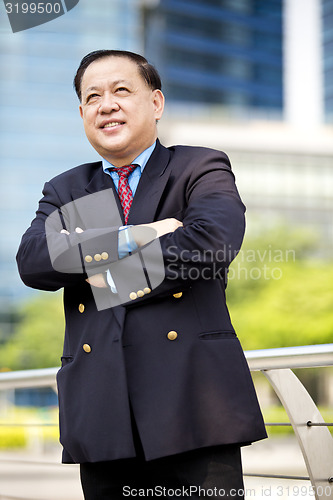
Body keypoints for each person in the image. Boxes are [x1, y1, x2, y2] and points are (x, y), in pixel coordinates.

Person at [16, 50, 267, 499]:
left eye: (121, 90)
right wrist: (140, 234)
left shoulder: (196, 167)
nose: (106, 104)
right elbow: (34, 261)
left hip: (194, 406)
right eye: (92, 97)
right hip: (101, 412)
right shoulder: (67, 187)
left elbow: (210, 246)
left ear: (155, 103)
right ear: (81, 113)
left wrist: (100, 276)